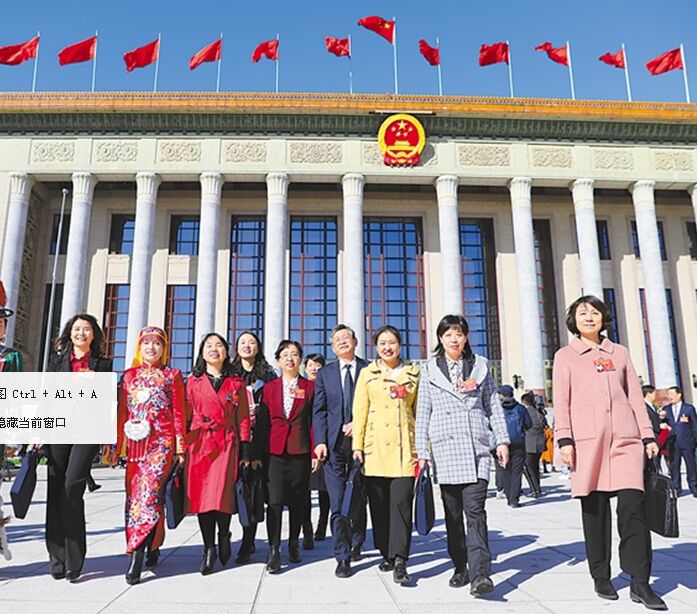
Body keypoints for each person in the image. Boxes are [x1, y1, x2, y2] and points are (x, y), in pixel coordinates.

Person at [553, 295, 665, 610]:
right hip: (588, 443)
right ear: (573, 320)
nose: (589, 317)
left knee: (633, 510)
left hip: (626, 441)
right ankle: (601, 574)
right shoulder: (565, 357)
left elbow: (634, 397)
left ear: (604, 318)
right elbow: (561, 402)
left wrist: (647, 435)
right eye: (582, 313)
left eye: (594, 312)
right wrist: (564, 440)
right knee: (595, 512)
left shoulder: (620, 353)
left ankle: (640, 581)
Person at [416, 314, 509, 596]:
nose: (454, 339)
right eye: (448, 334)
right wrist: (422, 452)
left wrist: (502, 441)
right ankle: (460, 565)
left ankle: (480, 573)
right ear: (440, 339)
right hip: (446, 450)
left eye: (458, 333)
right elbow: (423, 411)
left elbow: (493, 405)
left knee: (475, 512)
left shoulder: (480, 366)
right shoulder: (429, 369)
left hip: (476, 447)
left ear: (466, 337)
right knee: (453, 515)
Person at [44, 313, 112, 582]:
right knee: (56, 489)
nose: (81, 333)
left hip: (86, 431)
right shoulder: (56, 361)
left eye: (86, 329)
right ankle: (57, 557)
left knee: (72, 487)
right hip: (57, 429)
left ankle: (75, 560)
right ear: (69, 333)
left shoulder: (103, 365)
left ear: (94, 334)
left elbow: (108, 401)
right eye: (76, 329)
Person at [116, 326, 186, 585]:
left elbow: (179, 413)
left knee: (148, 492)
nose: (151, 347)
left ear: (164, 348)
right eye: (147, 342)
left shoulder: (172, 376)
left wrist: (180, 448)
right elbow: (122, 412)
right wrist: (117, 446)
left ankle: (136, 554)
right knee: (135, 496)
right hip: (136, 445)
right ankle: (153, 544)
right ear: (139, 346)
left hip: (161, 445)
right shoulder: (129, 376)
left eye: (157, 343)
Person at [352, 325, 420, 586]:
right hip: (375, 449)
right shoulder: (367, 374)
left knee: (401, 504)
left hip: (405, 450)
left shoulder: (414, 373)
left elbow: (420, 411)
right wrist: (358, 446)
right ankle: (386, 552)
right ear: (376, 347)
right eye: (382, 343)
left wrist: (423, 448)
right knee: (379, 507)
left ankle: (400, 559)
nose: (387, 347)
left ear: (400, 345)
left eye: (392, 342)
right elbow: (360, 412)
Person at [186, 333, 251, 575]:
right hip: (199, 443)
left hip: (226, 442)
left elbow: (243, 417)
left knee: (221, 495)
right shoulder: (192, 382)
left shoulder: (236, 383)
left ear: (226, 352)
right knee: (203, 498)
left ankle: (224, 534)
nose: (214, 349)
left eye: (219, 345)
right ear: (202, 352)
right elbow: (185, 415)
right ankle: (208, 548)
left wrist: (245, 448)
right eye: (209, 345)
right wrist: (181, 448)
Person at [253, 340, 319, 573]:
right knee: (274, 502)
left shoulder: (309, 388)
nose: (290, 359)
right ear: (278, 360)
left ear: (300, 360)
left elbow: (313, 422)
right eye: (285, 355)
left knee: (298, 501)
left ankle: (293, 543)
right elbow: (262, 424)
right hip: (274, 452)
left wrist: (315, 451)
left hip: (300, 451)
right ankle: (274, 550)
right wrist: (256, 454)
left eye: (294, 354)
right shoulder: (269, 389)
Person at [313, 324, 369, 578]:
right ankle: (342, 555)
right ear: (333, 347)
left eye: (346, 337)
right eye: (337, 339)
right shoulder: (325, 373)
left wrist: (359, 423)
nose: (342, 341)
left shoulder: (369, 369)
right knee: (337, 501)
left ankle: (357, 540)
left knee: (358, 497)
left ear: (355, 342)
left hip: (362, 443)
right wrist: (320, 441)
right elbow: (320, 410)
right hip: (334, 445)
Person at [230, 331, 277, 564]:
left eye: (251, 342)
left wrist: (261, 409)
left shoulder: (268, 375)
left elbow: (276, 403)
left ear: (258, 347)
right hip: (234, 439)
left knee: (254, 489)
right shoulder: (229, 373)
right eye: (243, 342)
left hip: (259, 439)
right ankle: (226, 534)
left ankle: (248, 540)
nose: (247, 346)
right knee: (234, 488)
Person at [301, 353, 329, 549]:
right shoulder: (301, 387)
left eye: (318, 365)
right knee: (304, 490)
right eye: (311, 365)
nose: (314, 368)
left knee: (324, 490)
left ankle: (322, 524)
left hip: (322, 443)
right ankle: (307, 528)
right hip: (304, 443)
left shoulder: (327, 387)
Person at [499, 385, 531, 508]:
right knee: (517, 471)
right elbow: (529, 423)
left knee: (505, 470)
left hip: (503, 442)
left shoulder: (498, 409)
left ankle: (508, 496)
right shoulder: (520, 408)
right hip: (518, 442)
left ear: (502, 395)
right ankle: (514, 499)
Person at [662, 386, 697, 497]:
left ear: (679, 394)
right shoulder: (666, 409)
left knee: (691, 466)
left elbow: (695, 425)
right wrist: (661, 418)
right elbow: (662, 424)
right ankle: (676, 489)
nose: (670, 396)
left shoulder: (688, 408)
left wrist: (695, 440)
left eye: (672, 394)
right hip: (673, 443)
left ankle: (694, 487)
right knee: (674, 467)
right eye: (669, 394)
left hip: (687, 442)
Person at [521, 392, 547, 498]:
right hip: (540, 442)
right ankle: (537, 488)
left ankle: (534, 489)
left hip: (529, 442)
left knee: (527, 467)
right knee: (535, 466)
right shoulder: (539, 412)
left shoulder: (525, 412)